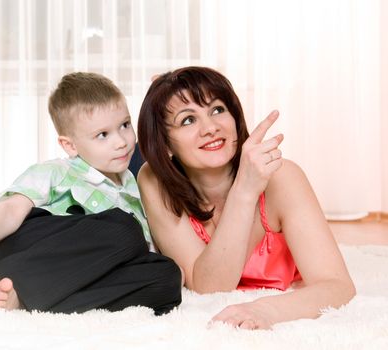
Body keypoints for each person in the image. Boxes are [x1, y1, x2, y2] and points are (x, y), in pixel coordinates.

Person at [0, 72, 182, 315]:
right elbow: (10, 211)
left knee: (169, 276)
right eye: (102, 135)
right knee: (125, 228)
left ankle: (23, 296)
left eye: (124, 125)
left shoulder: (135, 185)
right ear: (70, 145)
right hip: (21, 248)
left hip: (78, 272)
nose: (121, 141)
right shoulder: (58, 172)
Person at [136, 66, 355, 329]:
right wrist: (244, 191)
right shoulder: (154, 179)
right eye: (188, 120)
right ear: (166, 144)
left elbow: (338, 287)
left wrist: (266, 310)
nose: (211, 128)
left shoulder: (282, 177)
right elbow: (210, 287)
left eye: (217, 110)